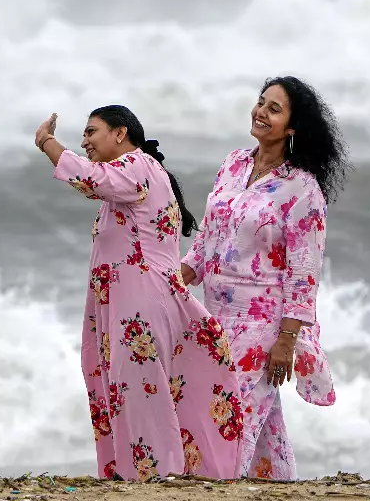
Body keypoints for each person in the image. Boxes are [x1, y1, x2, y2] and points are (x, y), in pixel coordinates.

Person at [35, 105, 245, 482]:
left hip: (141, 304)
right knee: (125, 386)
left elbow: (89, 179)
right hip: (129, 301)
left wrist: (48, 143)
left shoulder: (138, 165)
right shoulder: (131, 176)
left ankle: (154, 476)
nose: (84, 141)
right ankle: (142, 472)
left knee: (139, 389)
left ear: (120, 133)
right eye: (82, 134)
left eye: (91, 131)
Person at [179, 76, 351, 480]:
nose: (261, 113)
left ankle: (216, 484)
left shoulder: (302, 189)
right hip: (215, 315)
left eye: (274, 109)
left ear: (292, 127)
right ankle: (275, 484)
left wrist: (286, 340)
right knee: (259, 424)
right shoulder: (234, 163)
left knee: (228, 416)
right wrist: (177, 278)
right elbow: (207, 236)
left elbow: (304, 272)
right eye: (261, 103)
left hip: (262, 324)